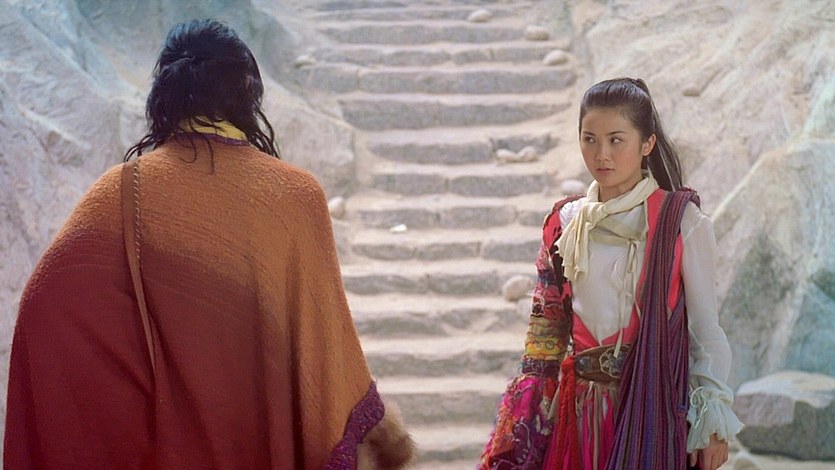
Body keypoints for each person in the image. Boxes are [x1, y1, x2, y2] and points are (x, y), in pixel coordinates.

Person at [5, 19, 414, 469]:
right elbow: (326, 360)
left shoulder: (119, 192)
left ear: (165, 97)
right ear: (246, 93)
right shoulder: (296, 197)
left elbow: (44, 307)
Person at [480, 78, 743, 470]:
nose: (601, 154)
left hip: (652, 413)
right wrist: (523, 427)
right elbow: (545, 336)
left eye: (616, 140)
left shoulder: (682, 222)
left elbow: (705, 331)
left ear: (647, 144)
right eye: (589, 139)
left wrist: (712, 420)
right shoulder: (564, 223)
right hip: (576, 417)